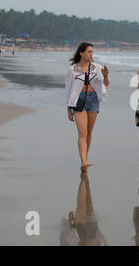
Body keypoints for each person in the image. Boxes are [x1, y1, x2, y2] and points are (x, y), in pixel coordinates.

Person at [66, 42, 110, 172]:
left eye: (92, 52)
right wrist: (68, 108)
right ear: (81, 53)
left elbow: (106, 84)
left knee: (89, 131)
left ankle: (86, 157)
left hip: (93, 99)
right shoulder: (72, 69)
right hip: (78, 100)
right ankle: (83, 162)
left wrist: (106, 76)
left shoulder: (97, 68)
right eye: (89, 52)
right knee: (82, 132)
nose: (91, 54)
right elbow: (68, 89)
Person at [60, 172, 107, 246]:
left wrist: (69, 225)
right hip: (88, 234)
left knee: (84, 205)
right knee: (84, 205)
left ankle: (85, 178)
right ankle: (85, 178)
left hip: (85, 234)